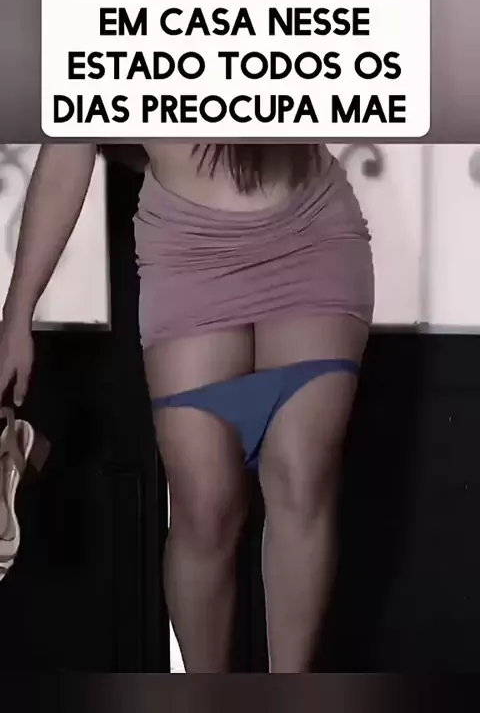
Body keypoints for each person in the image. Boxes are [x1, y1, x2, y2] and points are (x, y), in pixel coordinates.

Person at [0, 141, 374, 673]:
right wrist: (18, 313)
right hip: (187, 249)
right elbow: (67, 151)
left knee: (301, 479)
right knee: (205, 508)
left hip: (310, 229)